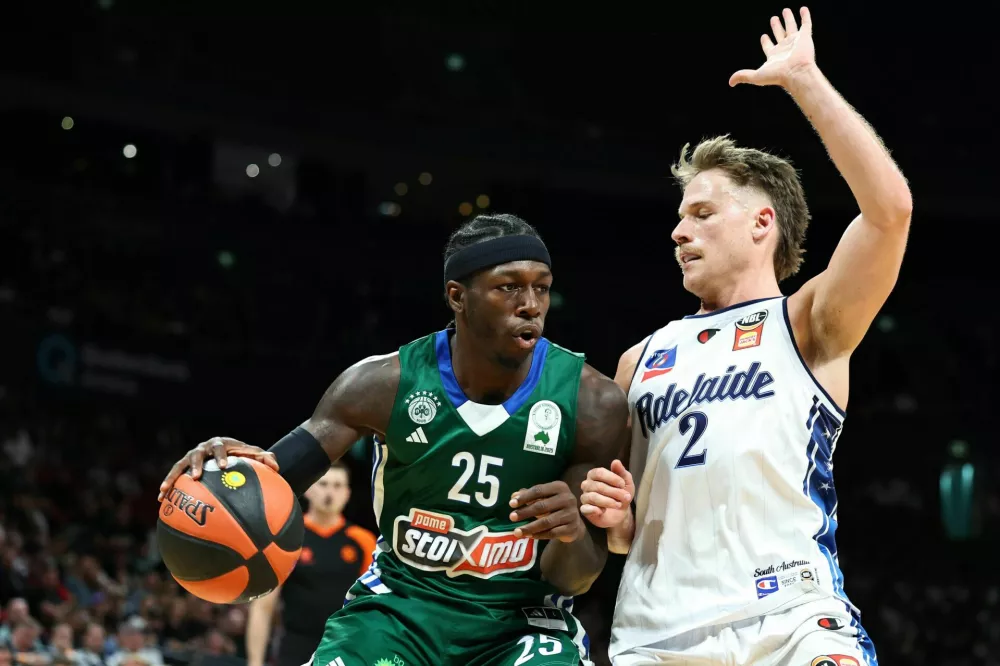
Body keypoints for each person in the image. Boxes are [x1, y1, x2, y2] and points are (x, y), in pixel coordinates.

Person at [580, 7, 910, 665]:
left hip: (790, 622)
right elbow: (621, 533)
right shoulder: (638, 359)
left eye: (702, 213)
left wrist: (805, 81)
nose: (679, 232)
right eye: (679, 218)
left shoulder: (808, 324)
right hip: (659, 636)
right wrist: (613, 519)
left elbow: (890, 211)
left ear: (763, 224)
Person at [159, 214, 629, 666]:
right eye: (509, 287)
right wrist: (225, 473)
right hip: (399, 611)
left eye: (541, 288)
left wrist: (570, 532)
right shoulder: (379, 385)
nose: (532, 304)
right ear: (457, 296)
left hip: (520, 624)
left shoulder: (592, 402)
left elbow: (576, 576)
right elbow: (272, 480)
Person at [246, 464, 376, 666]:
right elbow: (263, 607)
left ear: (347, 493)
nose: (330, 492)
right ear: (308, 489)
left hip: (346, 647)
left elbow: (374, 605)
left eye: (337, 486)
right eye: (323, 484)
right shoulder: (287, 539)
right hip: (295, 648)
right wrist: (255, 662)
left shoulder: (364, 541)